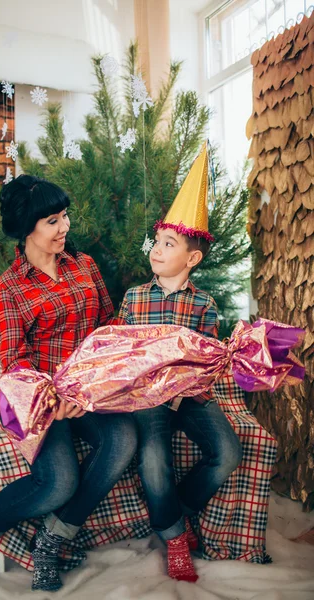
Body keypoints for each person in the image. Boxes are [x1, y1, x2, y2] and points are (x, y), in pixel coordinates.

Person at [0, 175, 137, 592]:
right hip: (41, 401)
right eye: (53, 221)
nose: (64, 228)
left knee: (124, 438)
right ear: (27, 228)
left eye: (65, 217)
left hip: (90, 390)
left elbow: (105, 324)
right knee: (58, 482)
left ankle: (54, 538)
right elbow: (15, 362)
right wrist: (55, 400)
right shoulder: (7, 289)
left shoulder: (85, 266)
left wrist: (122, 352)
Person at [117, 143, 243, 583]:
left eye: (168, 244)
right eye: (156, 241)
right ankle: (174, 539)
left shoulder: (204, 304)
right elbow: (120, 348)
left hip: (190, 396)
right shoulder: (135, 297)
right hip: (148, 398)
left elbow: (205, 358)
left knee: (228, 452)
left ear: (192, 258)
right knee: (152, 458)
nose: (156, 248)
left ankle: (178, 512)